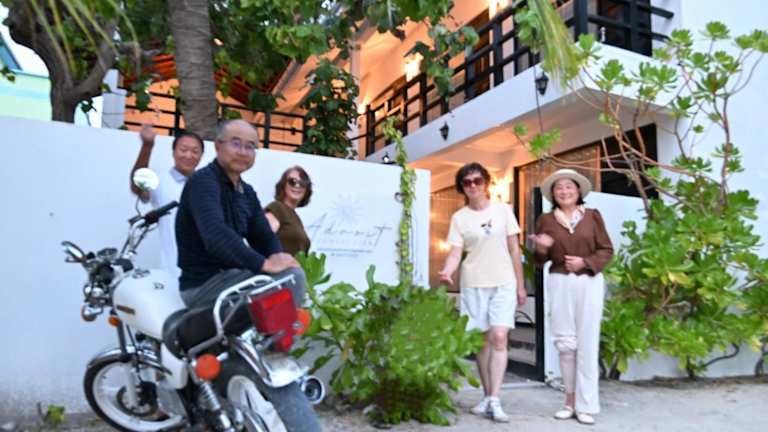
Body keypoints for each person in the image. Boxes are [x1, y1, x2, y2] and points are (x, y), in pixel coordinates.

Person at [175, 119, 306, 309]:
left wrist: (278, 257)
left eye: (250, 146)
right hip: (204, 285)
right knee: (289, 281)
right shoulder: (202, 182)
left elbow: (263, 235)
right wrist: (263, 264)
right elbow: (216, 235)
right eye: (236, 143)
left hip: (235, 277)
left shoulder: (247, 192)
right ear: (218, 146)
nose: (243, 152)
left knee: (290, 275)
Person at [438, 162, 526, 423]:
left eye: (477, 180)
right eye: (467, 182)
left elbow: (514, 249)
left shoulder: (503, 210)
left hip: (504, 281)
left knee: (499, 336)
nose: (473, 186)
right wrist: (447, 271)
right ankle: (487, 396)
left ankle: (495, 399)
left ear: (486, 183)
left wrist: (521, 285)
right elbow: (455, 253)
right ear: (462, 187)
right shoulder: (459, 218)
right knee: (482, 342)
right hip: (474, 283)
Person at [528, 168, 613, 426]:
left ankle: (586, 405)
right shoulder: (545, 220)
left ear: (578, 191)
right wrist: (541, 248)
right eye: (559, 188)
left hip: (589, 282)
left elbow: (606, 250)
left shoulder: (593, 216)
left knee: (587, 342)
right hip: (560, 281)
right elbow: (539, 260)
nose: (564, 191)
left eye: (569, 186)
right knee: (565, 343)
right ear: (553, 194)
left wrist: (585, 262)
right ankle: (569, 401)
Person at [130, 124, 204, 276]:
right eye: (183, 150)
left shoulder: (207, 184)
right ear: (174, 152)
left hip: (206, 272)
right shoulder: (160, 180)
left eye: (195, 151)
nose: (188, 155)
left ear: (201, 155)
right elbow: (137, 186)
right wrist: (147, 146)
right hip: (172, 270)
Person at [264, 166, 313, 256]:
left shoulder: (296, 217)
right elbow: (262, 239)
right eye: (292, 182)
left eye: (302, 183)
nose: (297, 186)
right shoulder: (276, 208)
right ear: (283, 185)